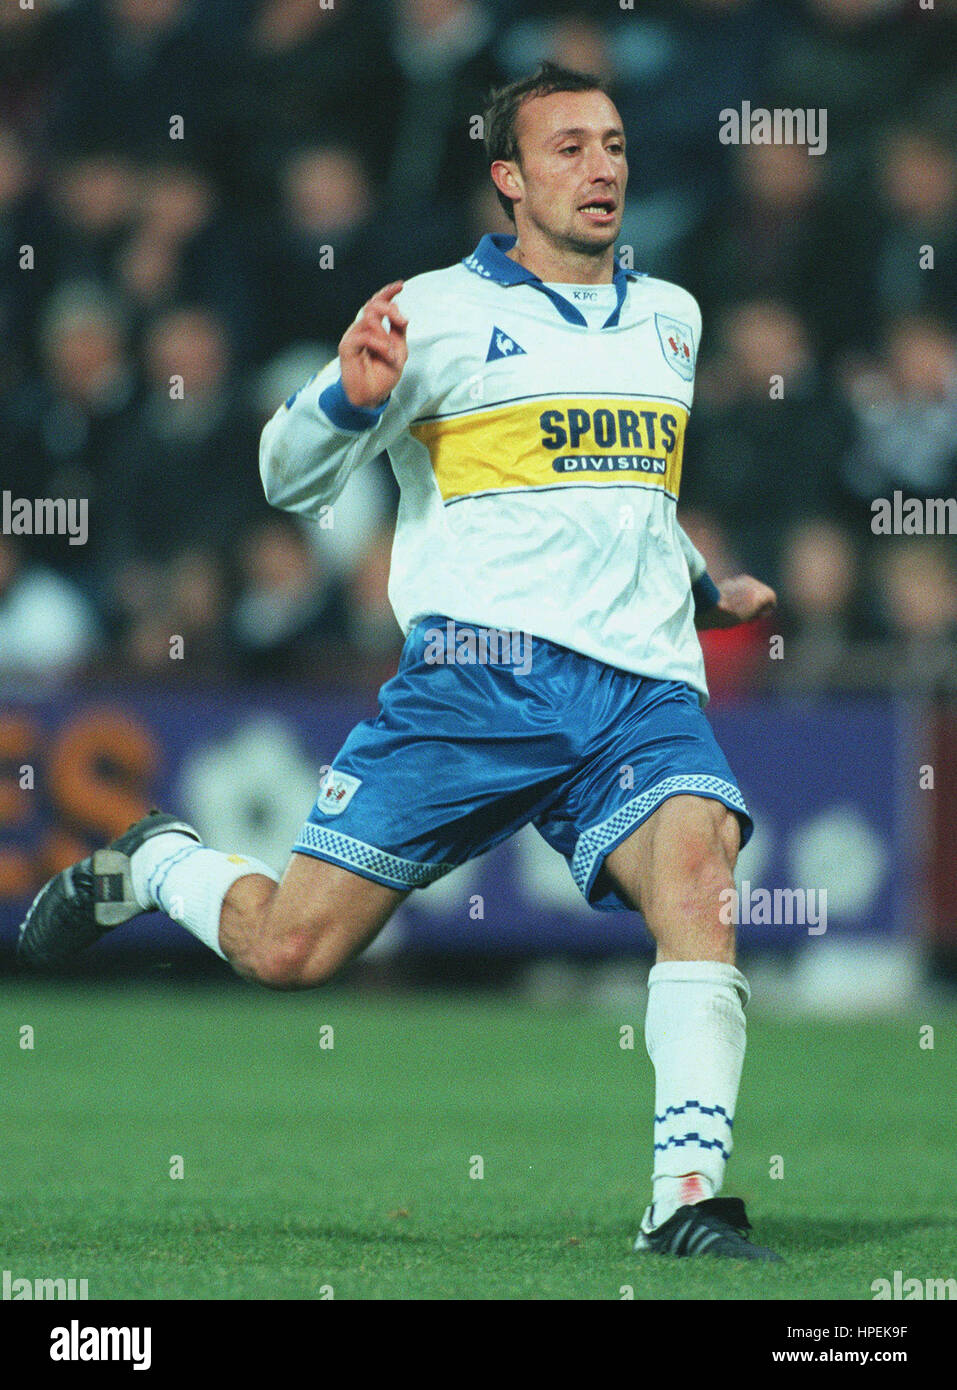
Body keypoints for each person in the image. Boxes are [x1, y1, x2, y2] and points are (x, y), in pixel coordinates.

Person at [19, 63, 779, 1262]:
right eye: (570, 148)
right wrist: (340, 396)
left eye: (616, 143)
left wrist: (699, 583)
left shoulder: (672, 317)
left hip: (639, 689)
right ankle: (157, 861)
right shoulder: (429, 311)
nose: (602, 167)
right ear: (510, 178)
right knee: (291, 953)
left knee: (701, 878)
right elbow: (283, 476)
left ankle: (687, 1199)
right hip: (472, 689)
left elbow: (620, 498)